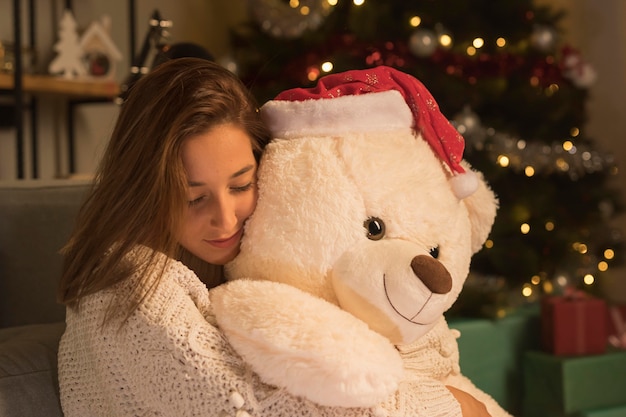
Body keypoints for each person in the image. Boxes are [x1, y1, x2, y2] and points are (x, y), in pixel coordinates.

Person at [56, 57, 491, 417]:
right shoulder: (124, 285)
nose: (226, 219)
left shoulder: (239, 258)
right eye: (193, 199)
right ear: (143, 190)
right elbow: (250, 404)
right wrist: (450, 406)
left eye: (242, 185)